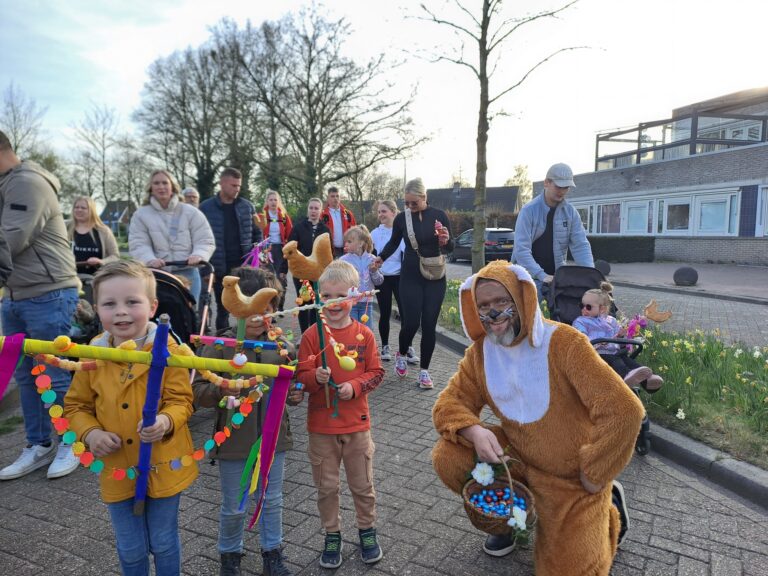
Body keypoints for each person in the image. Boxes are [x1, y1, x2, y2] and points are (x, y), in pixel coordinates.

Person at [431, 261, 645, 576]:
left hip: (570, 478)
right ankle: (511, 520)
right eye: (484, 306)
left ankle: (608, 511)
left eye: (501, 301)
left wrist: (595, 471)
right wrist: (473, 430)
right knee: (449, 456)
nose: (493, 313)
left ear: (521, 299)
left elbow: (624, 410)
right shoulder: (480, 353)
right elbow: (449, 403)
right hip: (516, 460)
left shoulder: (565, 343)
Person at [63, 260, 198, 575]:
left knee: (163, 541)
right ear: (97, 309)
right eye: (109, 304)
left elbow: (181, 401)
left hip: (164, 464)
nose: (121, 312)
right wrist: (91, 433)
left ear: (152, 307)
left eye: (132, 302)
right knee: (130, 547)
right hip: (117, 467)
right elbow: (75, 406)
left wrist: (165, 421)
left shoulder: (171, 351)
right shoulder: (93, 353)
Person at [193, 267, 296, 576]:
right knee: (234, 505)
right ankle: (230, 554)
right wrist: (222, 389)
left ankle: (272, 552)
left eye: (264, 309)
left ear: (274, 309)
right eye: (247, 309)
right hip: (233, 440)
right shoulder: (219, 346)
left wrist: (294, 393)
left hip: (274, 438)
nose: (256, 317)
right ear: (232, 308)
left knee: (272, 499)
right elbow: (198, 392)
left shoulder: (281, 346)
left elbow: (290, 387)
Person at [293, 260, 385, 570]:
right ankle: (332, 533)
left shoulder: (364, 335)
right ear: (319, 297)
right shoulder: (311, 336)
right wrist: (313, 378)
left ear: (355, 296)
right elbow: (300, 377)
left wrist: (355, 387)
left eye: (341, 296)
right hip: (321, 428)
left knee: (363, 486)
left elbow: (376, 373)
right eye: (327, 296)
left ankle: (367, 529)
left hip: (357, 426)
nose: (333, 303)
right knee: (327, 487)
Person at [0, 129, 81, 481]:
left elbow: (10, 239)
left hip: (48, 293)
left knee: (53, 373)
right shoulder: (7, 184)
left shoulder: (26, 183)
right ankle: (38, 443)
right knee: (25, 375)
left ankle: (70, 441)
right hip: (15, 295)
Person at [375, 177, 452, 389]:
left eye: (414, 202)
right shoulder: (402, 218)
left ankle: (424, 372)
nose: (410, 206)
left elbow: (450, 248)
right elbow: (393, 242)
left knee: (429, 324)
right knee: (411, 323)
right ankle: (401, 353)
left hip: (435, 276)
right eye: (406, 203)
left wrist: (445, 241)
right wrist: (381, 258)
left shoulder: (439, 215)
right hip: (410, 275)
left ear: (424, 197)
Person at [129, 169, 215, 304]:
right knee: (158, 310)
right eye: (156, 183)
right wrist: (150, 259)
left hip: (187, 272)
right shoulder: (141, 215)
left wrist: (198, 255)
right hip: (157, 273)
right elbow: (138, 243)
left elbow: (204, 239)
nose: (161, 187)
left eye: (165, 183)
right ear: (151, 188)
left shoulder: (191, 212)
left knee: (189, 310)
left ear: (173, 186)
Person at [512, 162, 594, 299]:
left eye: (566, 187)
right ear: (546, 183)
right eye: (558, 186)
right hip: (528, 278)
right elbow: (521, 250)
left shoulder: (571, 212)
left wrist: (591, 276)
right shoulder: (528, 211)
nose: (562, 191)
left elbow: (580, 246)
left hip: (555, 279)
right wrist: (541, 275)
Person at [200, 167, 263, 332]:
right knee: (223, 308)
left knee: (249, 305)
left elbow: (257, 233)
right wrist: (205, 269)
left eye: (239, 186)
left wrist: (257, 252)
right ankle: (223, 338)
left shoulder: (247, 207)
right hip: (219, 267)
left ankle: (248, 338)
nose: (237, 189)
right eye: (233, 185)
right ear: (222, 183)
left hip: (244, 268)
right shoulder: (205, 208)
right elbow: (199, 239)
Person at [574, 282, 663, 392]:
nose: (584, 309)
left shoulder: (612, 321)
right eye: (581, 306)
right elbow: (580, 338)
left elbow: (620, 343)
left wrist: (622, 335)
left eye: (588, 307)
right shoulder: (581, 321)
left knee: (628, 361)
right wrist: (599, 343)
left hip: (615, 352)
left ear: (602, 309)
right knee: (616, 360)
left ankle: (649, 381)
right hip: (595, 354)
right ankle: (626, 376)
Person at [280, 198, 330, 334]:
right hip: (301, 272)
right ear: (308, 210)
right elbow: (289, 250)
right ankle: (304, 334)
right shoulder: (298, 228)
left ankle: (313, 334)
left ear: (321, 211)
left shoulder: (325, 230)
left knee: (316, 303)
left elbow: (329, 251)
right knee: (303, 302)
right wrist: (283, 269)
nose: (313, 211)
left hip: (318, 273)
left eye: (316, 208)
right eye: (311, 208)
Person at [370, 200, 404, 361]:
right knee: (385, 313)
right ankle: (385, 346)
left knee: (405, 313)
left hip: (400, 277)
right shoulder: (375, 233)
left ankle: (407, 347)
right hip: (382, 278)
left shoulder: (403, 231)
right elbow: (370, 254)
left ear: (393, 212)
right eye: (379, 212)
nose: (380, 215)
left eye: (384, 211)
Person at [339, 226, 383, 330]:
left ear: (360, 243)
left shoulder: (372, 259)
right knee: (352, 331)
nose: (346, 244)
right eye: (346, 241)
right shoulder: (343, 261)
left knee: (367, 331)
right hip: (350, 303)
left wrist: (374, 271)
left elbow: (379, 282)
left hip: (367, 303)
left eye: (349, 241)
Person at [68, 195, 120, 276]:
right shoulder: (64, 228)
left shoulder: (103, 231)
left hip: (96, 278)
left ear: (92, 210)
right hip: (68, 277)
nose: (79, 210)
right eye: (76, 207)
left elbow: (115, 256)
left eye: (83, 208)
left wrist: (101, 261)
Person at [259, 189, 293, 309]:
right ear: (267, 202)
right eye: (271, 200)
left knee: (281, 278)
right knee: (267, 278)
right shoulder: (262, 217)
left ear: (278, 202)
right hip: (266, 250)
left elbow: (290, 234)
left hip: (280, 250)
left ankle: (280, 304)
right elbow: (257, 232)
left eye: (275, 200)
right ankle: (269, 307)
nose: (273, 202)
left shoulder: (284, 217)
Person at [321, 186, 356, 258]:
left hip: (347, 250)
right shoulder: (322, 215)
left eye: (337, 196)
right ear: (328, 198)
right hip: (330, 251)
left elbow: (355, 232)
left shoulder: (348, 214)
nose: (335, 198)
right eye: (332, 196)